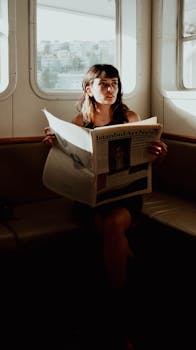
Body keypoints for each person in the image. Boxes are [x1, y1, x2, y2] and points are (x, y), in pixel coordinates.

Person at [43, 64, 167, 291]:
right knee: (111, 232)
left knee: (112, 225)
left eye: (115, 84)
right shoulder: (80, 122)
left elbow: (147, 162)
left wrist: (158, 154)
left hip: (125, 194)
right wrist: (56, 144)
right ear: (89, 89)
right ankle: (125, 255)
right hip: (90, 196)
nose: (111, 89)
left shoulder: (130, 117)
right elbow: (73, 161)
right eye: (104, 84)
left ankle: (116, 295)